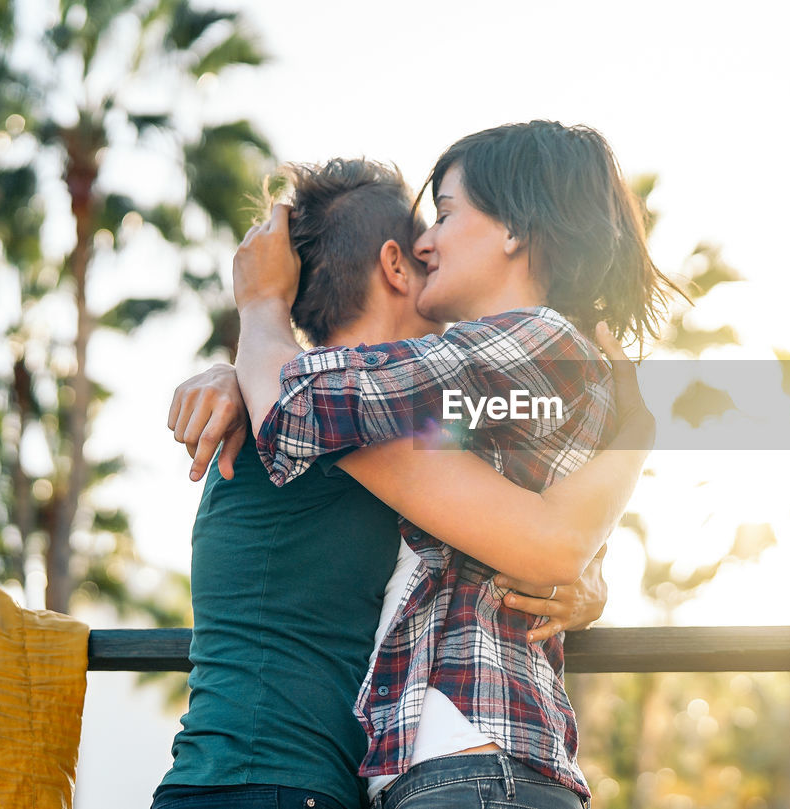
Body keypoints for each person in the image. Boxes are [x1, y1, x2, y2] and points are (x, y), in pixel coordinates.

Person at [153, 157, 654, 809]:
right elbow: (542, 533)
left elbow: (507, 516)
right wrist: (257, 313)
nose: (432, 247)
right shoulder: (317, 420)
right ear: (395, 266)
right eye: (427, 234)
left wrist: (586, 586)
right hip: (264, 786)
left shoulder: (383, 424)